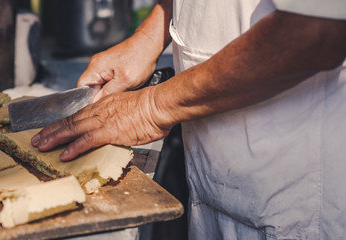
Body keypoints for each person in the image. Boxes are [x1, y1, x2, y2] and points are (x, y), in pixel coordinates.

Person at [31, 0, 346, 239]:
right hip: (214, 179)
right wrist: (151, 36)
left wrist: (151, 107)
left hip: (300, 199)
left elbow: (315, 32)